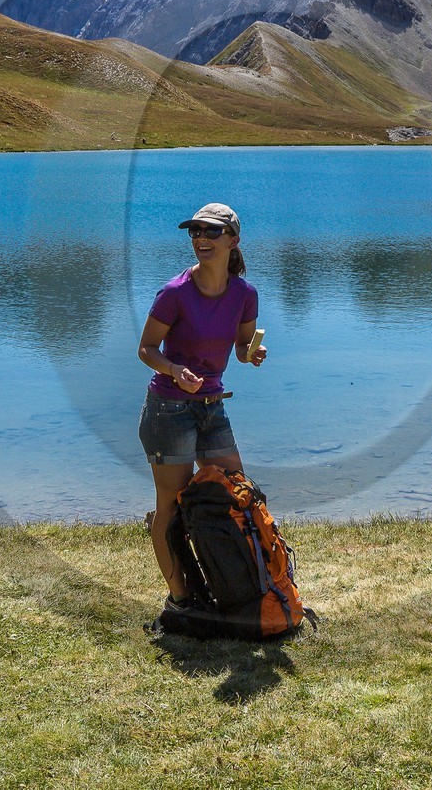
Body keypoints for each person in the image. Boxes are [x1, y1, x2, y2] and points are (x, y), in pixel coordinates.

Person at [136, 202, 267, 618]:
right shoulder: (175, 292)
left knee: (235, 494)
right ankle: (179, 600)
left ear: (233, 240)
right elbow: (146, 349)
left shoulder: (245, 294)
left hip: (213, 408)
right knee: (170, 506)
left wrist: (252, 354)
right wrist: (175, 370)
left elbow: (242, 349)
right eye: (194, 232)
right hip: (168, 409)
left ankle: (234, 588)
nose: (201, 240)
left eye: (210, 232)